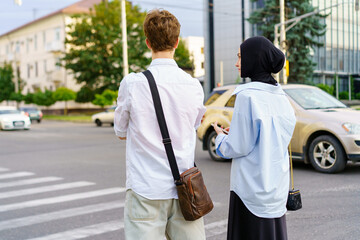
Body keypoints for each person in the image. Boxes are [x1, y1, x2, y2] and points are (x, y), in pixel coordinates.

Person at [114, 9, 206, 240]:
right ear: (176, 41)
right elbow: (194, 125)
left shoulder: (132, 84)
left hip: (146, 188)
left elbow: (120, 131)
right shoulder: (194, 85)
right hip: (186, 188)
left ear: (147, 42)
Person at [213, 36, 296, 240]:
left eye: (240, 57)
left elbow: (238, 146)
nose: (236, 63)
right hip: (276, 188)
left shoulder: (247, 96)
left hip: (250, 189)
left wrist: (220, 139)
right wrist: (240, 130)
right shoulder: (281, 97)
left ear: (254, 58)